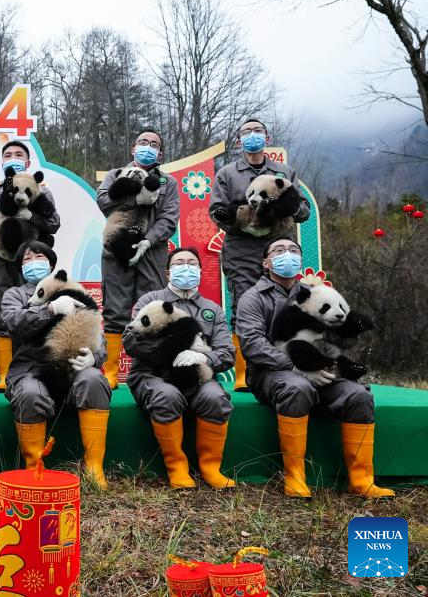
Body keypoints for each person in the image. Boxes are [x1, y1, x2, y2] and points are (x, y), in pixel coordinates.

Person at [236, 238, 393, 498]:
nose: (287, 254)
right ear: (266, 263)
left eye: (293, 250)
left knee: (358, 396)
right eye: (279, 250)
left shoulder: (320, 295)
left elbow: (335, 332)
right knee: (297, 387)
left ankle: (362, 479)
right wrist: (296, 365)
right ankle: (295, 476)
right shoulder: (252, 299)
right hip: (270, 373)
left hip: (320, 367)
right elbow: (252, 345)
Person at [209, 118, 310, 391]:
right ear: (238, 139)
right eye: (246, 132)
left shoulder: (284, 171)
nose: (252, 136)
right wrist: (241, 218)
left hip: (279, 245)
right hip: (242, 249)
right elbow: (216, 212)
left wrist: (283, 209)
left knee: (285, 306)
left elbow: (303, 210)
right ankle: (244, 372)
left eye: (257, 131)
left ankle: (290, 362)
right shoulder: (227, 174)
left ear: (266, 136)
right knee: (243, 305)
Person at [123, 247, 236, 490]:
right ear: (168, 272)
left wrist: (202, 357)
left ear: (200, 270)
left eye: (192, 263)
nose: (186, 267)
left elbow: (227, 353)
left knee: (216, 398)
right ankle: (177, 467)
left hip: (197, 376)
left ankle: (210, 468)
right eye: (179, 263)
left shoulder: (212, 309)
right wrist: (169, 353)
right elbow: (131, 340)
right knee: (166, 395)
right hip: (152, 375)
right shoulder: (149, 301)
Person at [1, 242, 110, 488]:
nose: (33, 262)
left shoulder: (75, 290)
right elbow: (13, 322)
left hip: (75, 365)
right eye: (26, 259)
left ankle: (94, 466)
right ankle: (34, 467)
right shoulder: (15, 295)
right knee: (29, 393)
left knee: (93, 380)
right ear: (20, 266)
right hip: (31, 368)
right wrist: (49, 309)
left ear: (51, 264)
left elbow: (96, 331)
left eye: (38, 256)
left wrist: (95, 357)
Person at [97, 128, 180, 390]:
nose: (148, 146)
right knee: (115, 310)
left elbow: (169, 218)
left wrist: (148, 240)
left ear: (160, 152)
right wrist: (135, 195)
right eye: (143, 142)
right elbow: (103, 201)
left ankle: (146, 370)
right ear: (133, 148)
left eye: (154, 143)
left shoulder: (169, 183)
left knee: (152, 309)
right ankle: (111, 371)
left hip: (152, 253)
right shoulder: (115, 175)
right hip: (117, 250)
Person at [0, 138, 61, 394]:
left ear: (28, 162)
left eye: (18, 154)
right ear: (3, 162)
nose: (13, 157)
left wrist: (32, 217)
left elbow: (54, 223)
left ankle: (35, 367)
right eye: (8, 154)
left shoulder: (41, 192)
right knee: (0, 313)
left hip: (34, 262)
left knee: (37, 309)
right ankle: (4, 373)